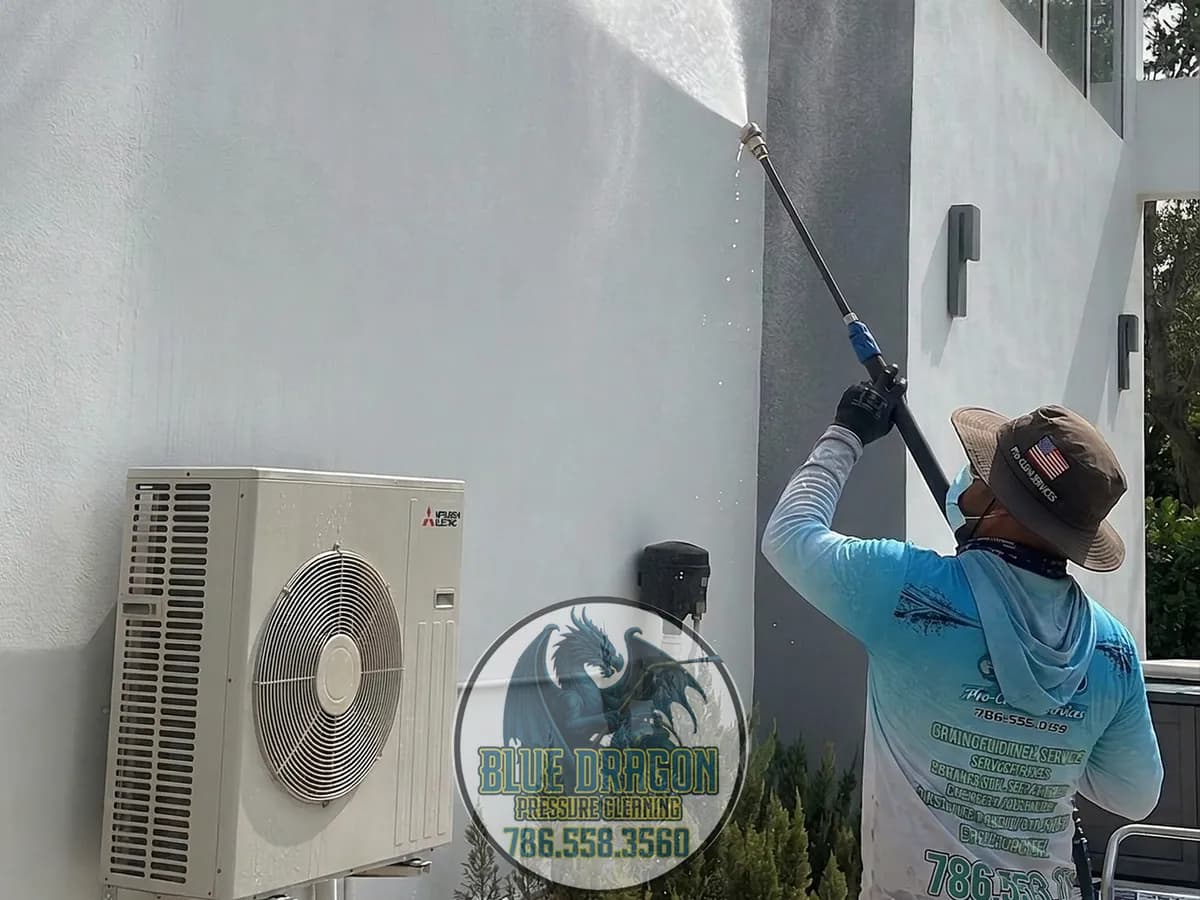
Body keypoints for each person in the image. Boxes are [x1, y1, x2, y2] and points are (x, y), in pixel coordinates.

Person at [762, 367, 1164, 900]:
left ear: (1000, 506)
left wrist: (847, 431)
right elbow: (1135, 795)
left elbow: (790, 536)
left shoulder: (908, 592)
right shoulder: (1112, 651)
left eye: (981, 474)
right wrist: (1044, 752)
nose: (968, 481)